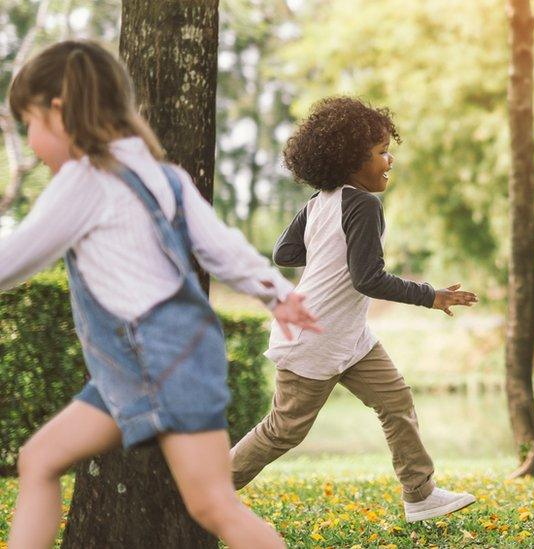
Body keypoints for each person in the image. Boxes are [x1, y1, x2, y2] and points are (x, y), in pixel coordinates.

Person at [2, 40, 321, 548]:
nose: (32, 143)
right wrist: (276, 293)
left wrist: (277, 294)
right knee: (38, 460)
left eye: (30, 125)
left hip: (156, 359)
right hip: (144, 363)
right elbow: (222, 249)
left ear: (59, 112)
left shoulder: (86, 180)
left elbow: (12, 260)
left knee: (213, 504)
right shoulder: (163, 176)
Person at [230, 96, 477, 522]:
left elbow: (285, 252)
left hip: (348, 337)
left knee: (395, 400)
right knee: (284, 430)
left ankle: (420, 494)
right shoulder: (362, 204)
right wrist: (430, 296)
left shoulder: (320, 201)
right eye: (381, 152)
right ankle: (204, 489)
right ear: (349, 160)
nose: (389, 160)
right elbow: (368, 278)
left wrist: (327, 252)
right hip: (315, 335)